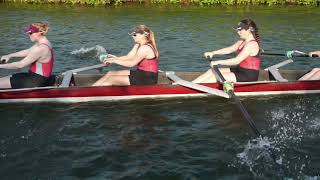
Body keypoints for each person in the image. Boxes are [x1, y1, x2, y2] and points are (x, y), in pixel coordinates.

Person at [192, 19, 261, 83]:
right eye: (237, 30)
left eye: (240, 30)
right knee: (211, 71)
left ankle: (191, 90)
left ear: (249, 29)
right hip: (239, 70)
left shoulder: (252, 44)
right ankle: (189, 86)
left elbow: (236, 61)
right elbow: (229, 49)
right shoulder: (242, 41)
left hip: (248, 75)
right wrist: (213, 53)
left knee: (215, 76)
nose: (238, 32)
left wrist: (218, 62)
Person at [93, 25, 159, 86]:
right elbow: (129, 57)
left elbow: (131, 63)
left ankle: (93, 94)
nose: (132, 36)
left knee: (111, 79)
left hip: (147, 79)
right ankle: (91, 89)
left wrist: (114, 61)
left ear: (142, 35)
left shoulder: (145, 48)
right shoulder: (138, 44)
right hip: (140, 73)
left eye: (134, 35)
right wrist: (116, 58)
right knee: (110, 73)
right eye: (132, 35)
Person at [0, 22, 54, 89]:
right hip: (32, 76)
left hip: (35, 81)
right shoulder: (44, 42)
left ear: (39, 32)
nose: (28, 34)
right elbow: (28, 51)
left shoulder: (41, 48)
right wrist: (9, 55)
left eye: (31, 33)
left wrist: (1, 66)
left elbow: (20, 65)